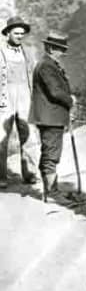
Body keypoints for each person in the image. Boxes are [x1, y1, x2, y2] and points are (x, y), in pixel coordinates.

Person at [28, 32, 75, 204]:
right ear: (49, 47)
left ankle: (51, 190)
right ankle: (52, 193)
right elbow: (55, 92)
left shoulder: (49, 64)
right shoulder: (47, 66)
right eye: (58, 48)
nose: (61, 52)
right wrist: (71, 100)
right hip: (50, 117)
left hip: (51, 116)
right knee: (51, 154)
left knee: (50, 152)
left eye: (62, 49)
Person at [0, 16, 38, 189]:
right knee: (2, 136)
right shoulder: (0, 51)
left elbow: (35, 74)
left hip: (25, 94)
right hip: (5, 95)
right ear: (8, 33)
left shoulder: (29, 51)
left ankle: (29, 173)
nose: (20, 36)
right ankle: (1, 176)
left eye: (22, 33)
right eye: (16, 33)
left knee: (28, 134)